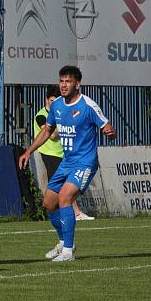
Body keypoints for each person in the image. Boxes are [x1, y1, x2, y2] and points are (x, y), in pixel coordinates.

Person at [18, 65, 116, 262]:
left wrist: (110, 133)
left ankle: (68, 252)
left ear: (77, 84)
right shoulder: (56, 106)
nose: (63, 85)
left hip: (85, 162)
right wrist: (29, 151)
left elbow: (108, 127)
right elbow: (47, 130)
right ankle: (63, 242)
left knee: (64, 197)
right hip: (67, 162)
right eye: (61, 81)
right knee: (48, 203)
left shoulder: (88, 105)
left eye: (68, 81)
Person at [33, 85, 93, 221]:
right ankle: (74, 213)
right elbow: (52, 135)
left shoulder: (61, 114)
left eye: (56, 101)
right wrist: (68, 128)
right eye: (51, 101)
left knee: (66, 184)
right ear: (46, 100)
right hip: (50, 154)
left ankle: (72, 212)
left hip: (63, 154)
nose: (54, 104)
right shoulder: (41, 115)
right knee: (62, 185)